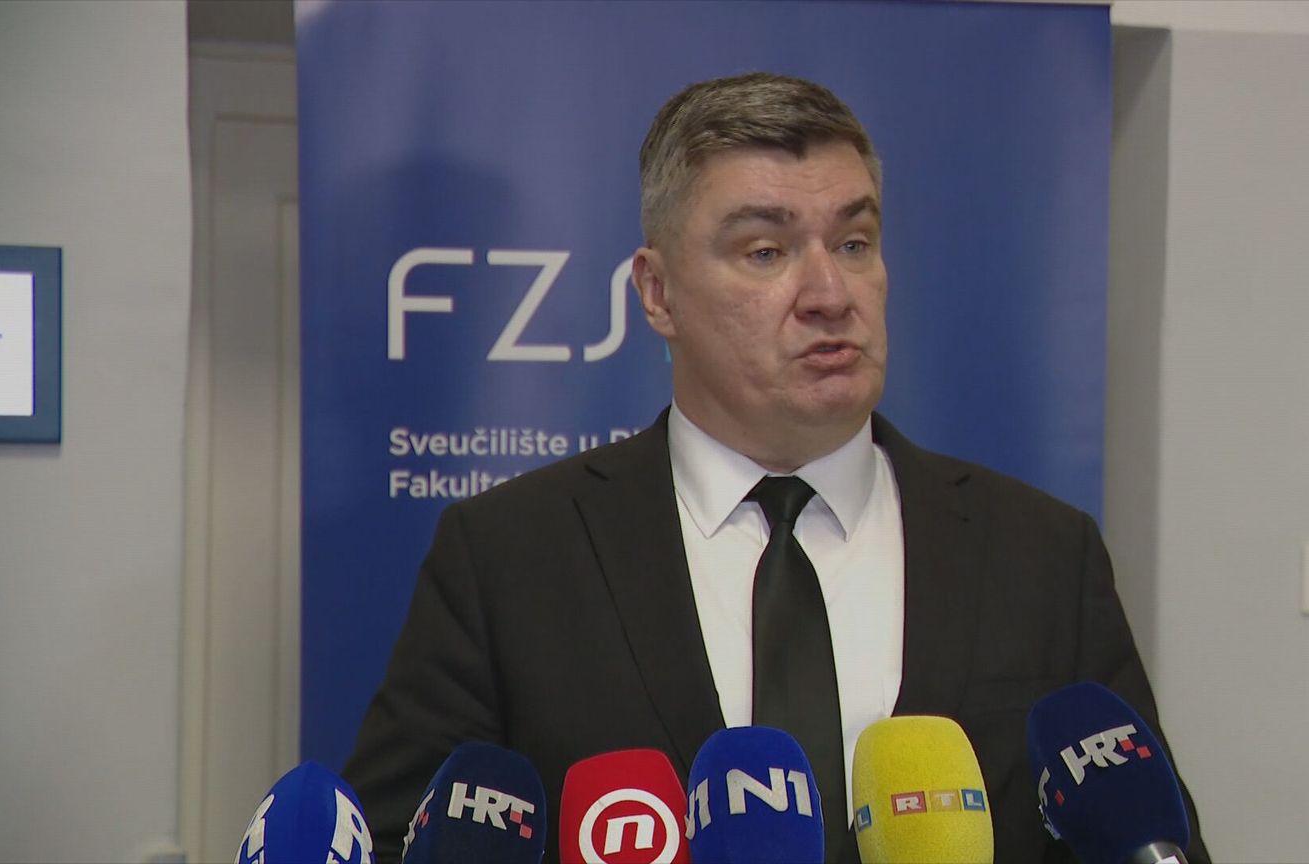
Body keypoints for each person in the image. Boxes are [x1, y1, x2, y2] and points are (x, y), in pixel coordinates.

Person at [344, 71, 1208, 864]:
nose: (830, 294)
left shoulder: (1042, 554)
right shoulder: (509, 557)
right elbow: (395, 840)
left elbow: (1153, 837)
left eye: (855, 242)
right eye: (766, 251)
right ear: (657, 293)